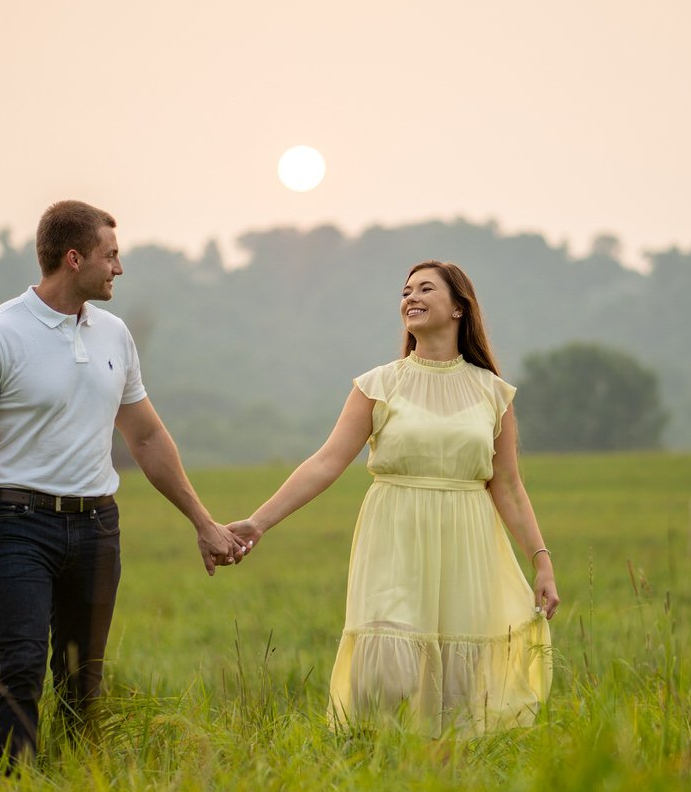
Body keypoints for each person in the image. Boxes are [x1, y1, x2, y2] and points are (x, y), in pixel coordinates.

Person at [0, 199, 247, 769]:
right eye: (111, 255)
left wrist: (203, 522)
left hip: (96, 526)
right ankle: (11, 790)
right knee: (23, 665)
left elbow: (147, 437)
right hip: (17, 527)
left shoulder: (114, 334)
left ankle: (82, 783)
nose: (120, 268)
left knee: (83, 675)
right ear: (73, 257)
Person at [230, 260, 558, 736]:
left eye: (426, 289)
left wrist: (541, 560)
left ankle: (441, 783)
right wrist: (258, 522)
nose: (411, 297)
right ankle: (372, 756)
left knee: (457, 685)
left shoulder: (493, 393)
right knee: (385, 669)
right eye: (406, 291)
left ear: (459, 309)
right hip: (395, 535)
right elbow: (326, 463)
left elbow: (507, 484)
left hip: (467, 540)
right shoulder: (378, 385)